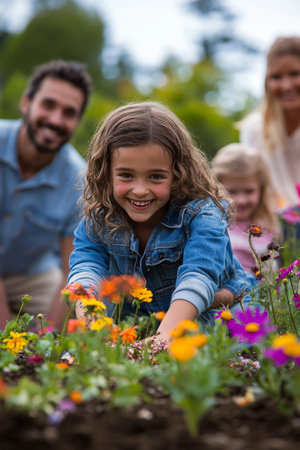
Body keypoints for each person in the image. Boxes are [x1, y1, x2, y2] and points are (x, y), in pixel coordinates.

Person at [67, 101, 256, 341]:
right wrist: (92, 332)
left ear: (178, 173)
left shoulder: (202, 214)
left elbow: (199, 276)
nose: (139, 190)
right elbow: (86, 269)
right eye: (126, 175)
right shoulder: (101, 216)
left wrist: (161, 340)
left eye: (156, 176)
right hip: (138, 324)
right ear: (106, 172)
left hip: (213, 320)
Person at [0, 60, 92, 330]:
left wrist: (48, 339)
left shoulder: (79, 181)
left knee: (56, 321)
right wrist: (5, 333)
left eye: (68, 112)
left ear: (77, 121)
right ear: (27, 103)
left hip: (30, 275)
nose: (55, 120)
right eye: (48, 105)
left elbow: (70, 272)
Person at [240, 36, 300, 209]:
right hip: (275, 229)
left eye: (294, 74)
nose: (286, 86)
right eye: (276, 77)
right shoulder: (254, 130)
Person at [211, 143, 282, 275]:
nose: (240, 200)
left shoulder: (269, 222)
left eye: (249, 191)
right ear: (215, 188)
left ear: (261, 189)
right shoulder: (216, 226)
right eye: (231, 191)